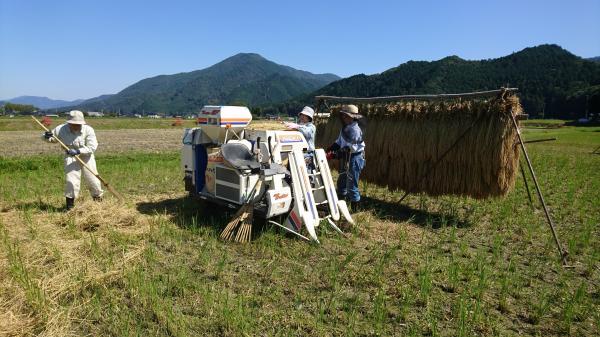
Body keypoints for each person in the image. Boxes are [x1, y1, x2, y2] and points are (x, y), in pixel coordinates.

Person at [42, 110, 104, 210]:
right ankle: (70, 207)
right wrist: (46, 136)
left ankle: (99, 204)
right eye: (73, 124)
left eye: (78, 124)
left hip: (86, 156)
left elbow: (92, 147)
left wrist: (78, 151)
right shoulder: (61, 129)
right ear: (69, 123)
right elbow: (52, 139)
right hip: (70, 157)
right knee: (71, 180)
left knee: (93, 179)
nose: (76, 126)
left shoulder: (88, 130)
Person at [326, 104, 366, 210]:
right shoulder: (345, 128)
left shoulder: (355, 131)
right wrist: (331, 148)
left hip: (355, 158)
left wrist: (335, 155)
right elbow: (339, 142)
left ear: (353, 117)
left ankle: (355, 210)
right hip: (346, 158)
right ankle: (340, 205)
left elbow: (350, 148)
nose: (344, 118)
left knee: (352, 184)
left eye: (346, 116)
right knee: (342, 181)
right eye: (343, 116)